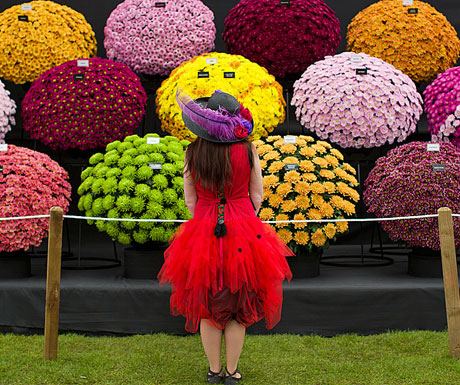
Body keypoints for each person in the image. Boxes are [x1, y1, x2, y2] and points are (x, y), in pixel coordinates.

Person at [158, 89, 293, 384]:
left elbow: (190, 199)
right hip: (244, 227)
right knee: (238, 307)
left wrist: (204, 219)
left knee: (207, 306)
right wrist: (243, 213)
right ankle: (232, 372)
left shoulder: (192, 151)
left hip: (203, 229)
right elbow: (257, 194)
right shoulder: (248, 150)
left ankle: (214, 370)